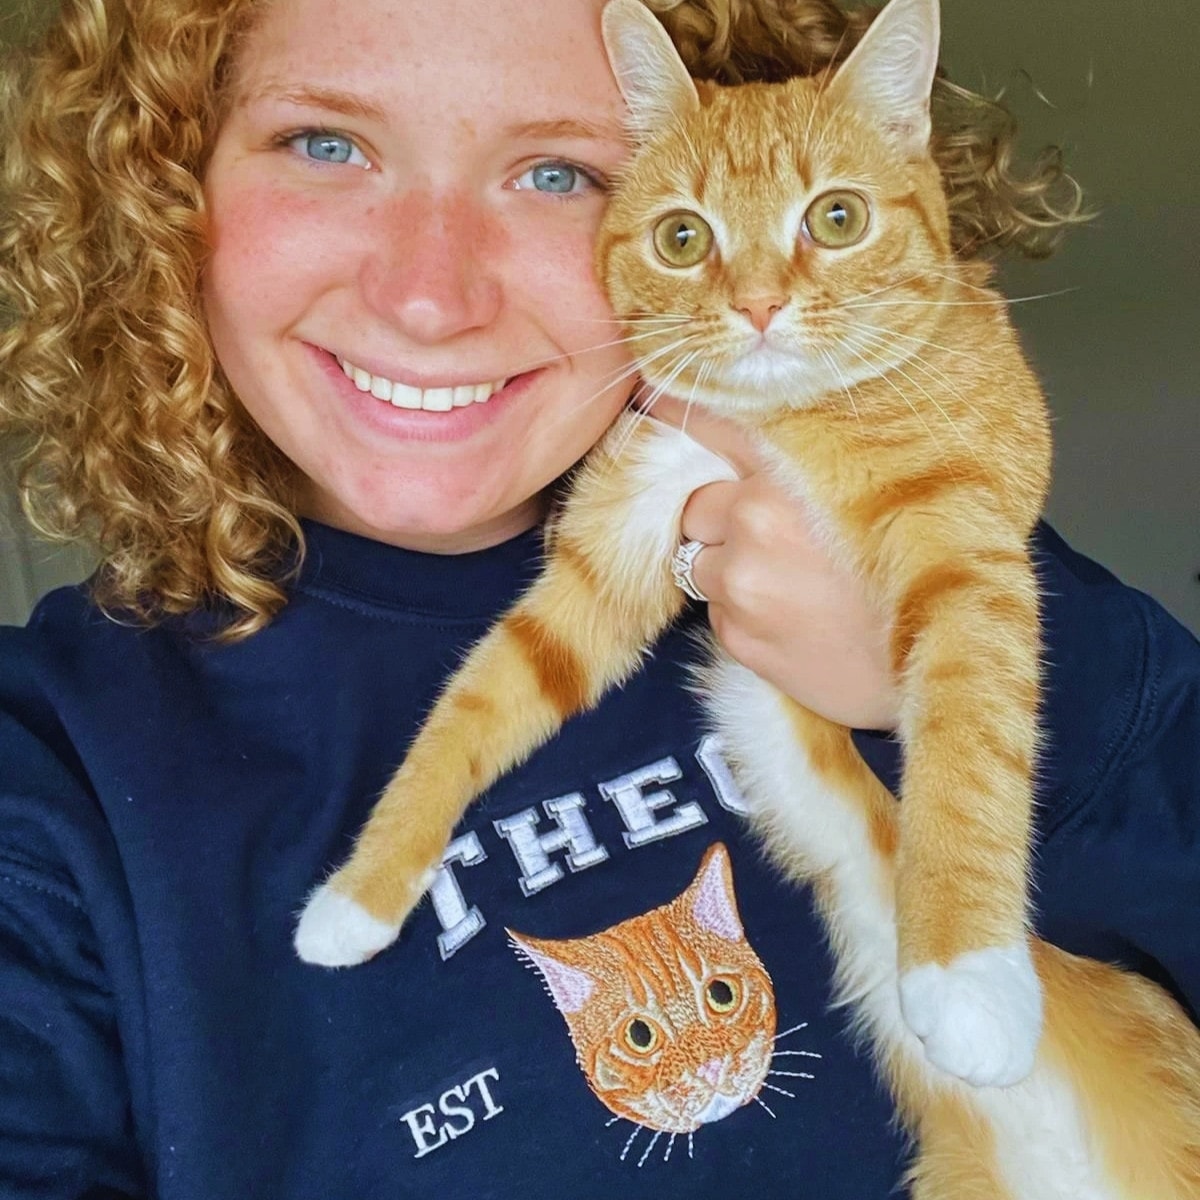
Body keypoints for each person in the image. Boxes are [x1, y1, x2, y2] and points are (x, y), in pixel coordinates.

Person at [0, 0, 1196, 1195]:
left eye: (557, 172)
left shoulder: (921, 516)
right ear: (165, 184)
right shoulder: (53, 787)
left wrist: (962, 675)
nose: (430, 297)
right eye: (327, 145)